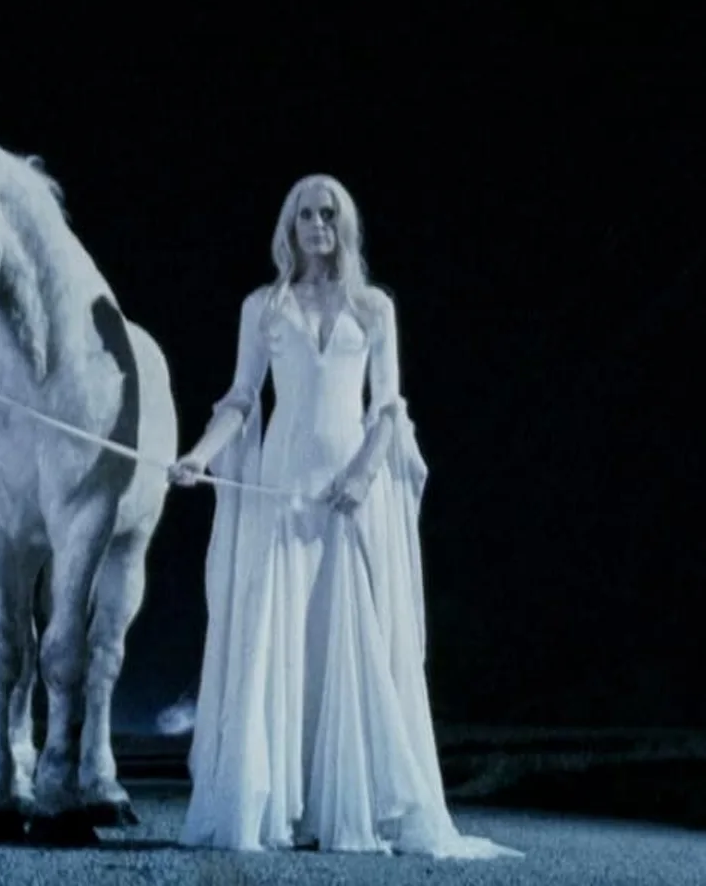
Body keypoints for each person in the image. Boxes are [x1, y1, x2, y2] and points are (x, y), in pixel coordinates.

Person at [167, 174, 521, 859]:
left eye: (329, 214)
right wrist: (199, 456)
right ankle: (276, 808)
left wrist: (361, 477)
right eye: (306, 214)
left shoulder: (374, 308)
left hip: (346, 496)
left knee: (344, 639)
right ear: (290, 225)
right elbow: (241, 398)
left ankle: (341, 810)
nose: (318, 224)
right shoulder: (263, 308)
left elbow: (387, 409)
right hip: (282, 490)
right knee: (277, 638)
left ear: (344, 225)